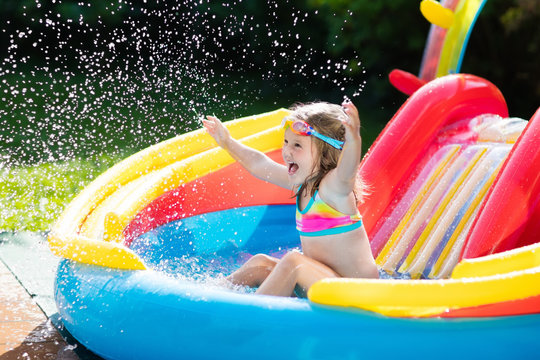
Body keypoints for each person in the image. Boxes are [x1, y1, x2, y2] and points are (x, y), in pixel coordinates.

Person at [202, 101, 378, 297]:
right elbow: (260, 165)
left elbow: (347, 171)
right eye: (286, 142)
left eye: (297, 145)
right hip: (322, 284)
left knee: (294, 262)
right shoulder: (303, 184)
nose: (287, 152)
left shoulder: (334, 188)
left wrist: (353, 140)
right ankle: (208, 297)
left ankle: (251, 316)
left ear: (328, 152)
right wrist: (227, 142)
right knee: (260, 263)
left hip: (358, 292)